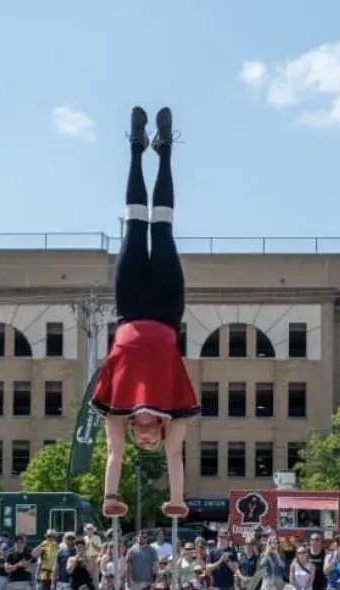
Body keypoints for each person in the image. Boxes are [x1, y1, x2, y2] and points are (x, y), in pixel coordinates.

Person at [92, 106, 199, 519]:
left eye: (145, 441)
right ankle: (166, 150)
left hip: (132, 308)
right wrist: (176, 500)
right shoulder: (174, 413)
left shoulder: (119, 413)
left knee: (136, 225)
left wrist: (109, 499)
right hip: (167, 313)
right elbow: (176, 458)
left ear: (138, 434)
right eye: (155, 441)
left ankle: (137, 148)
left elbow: (113, 455)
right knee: (164, 227)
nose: (150, 440)